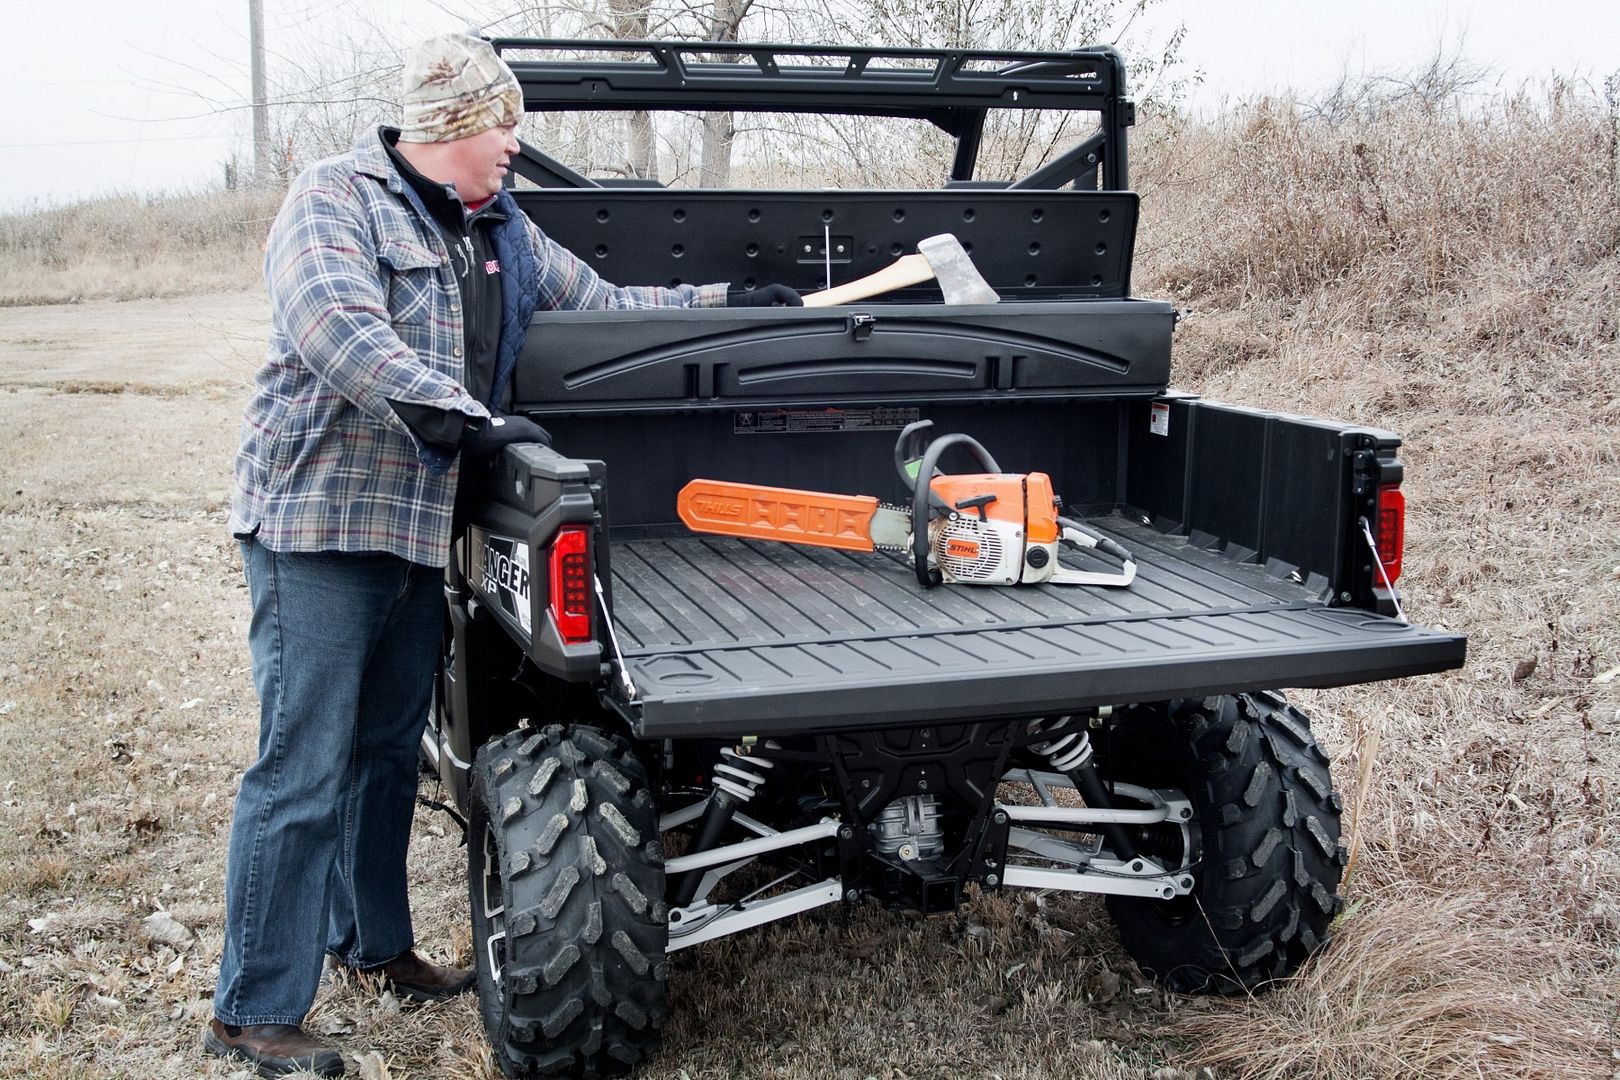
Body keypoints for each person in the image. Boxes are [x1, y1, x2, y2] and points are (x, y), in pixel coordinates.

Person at [208, 31, 800, 1078]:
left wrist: (728, 307)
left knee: (389, 751)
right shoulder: (333, 198)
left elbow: (609, 307)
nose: (516, 146)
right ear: (451, 127)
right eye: (505, 127)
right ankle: (254, 1010)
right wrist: (471, 424)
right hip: (320, 523)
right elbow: (339, 332)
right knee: (302, 765)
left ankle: (375, 944)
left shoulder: (500, 228)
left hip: (412, 532)